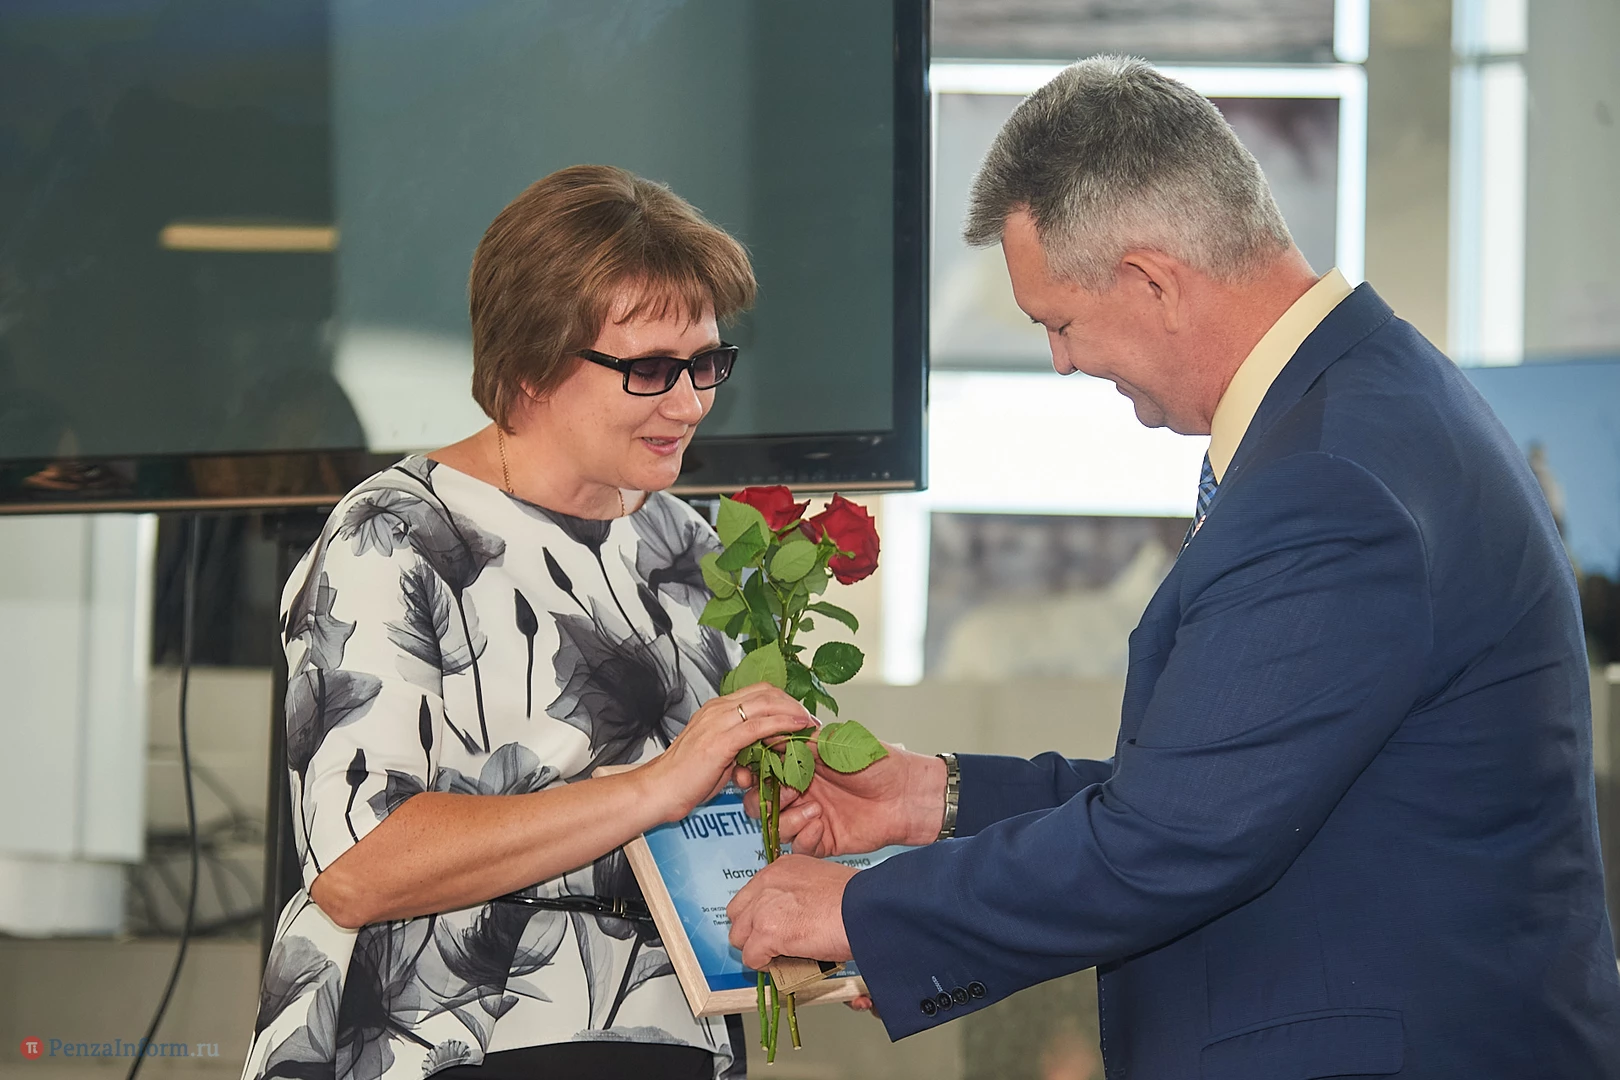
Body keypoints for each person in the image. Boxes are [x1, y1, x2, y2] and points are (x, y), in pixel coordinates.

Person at [726, 56, 1620, 1078]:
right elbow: (1231, 784)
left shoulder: (1327, 478)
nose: (1063, 361)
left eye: (1060, 323)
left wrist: (860, 906)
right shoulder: (1369, 403)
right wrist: (936, 797)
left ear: (1153, 279)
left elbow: (1175, 842)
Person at [244, 165, 812, 1080]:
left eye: (706, 363)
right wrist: (653, 788)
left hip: (673, 1040)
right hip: (445, 1044)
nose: (690, 403)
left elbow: (713, 834)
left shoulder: (691, 547)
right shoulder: (395, 533)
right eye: (650, 370)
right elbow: (356, 865)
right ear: (528, 367)